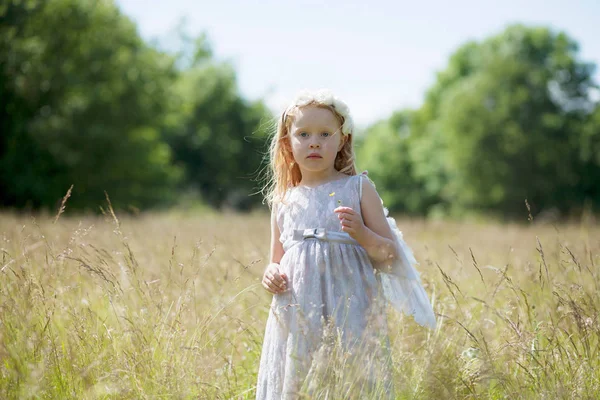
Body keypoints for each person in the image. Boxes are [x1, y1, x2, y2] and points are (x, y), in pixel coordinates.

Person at [255, 89, 436, 399]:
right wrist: (270, 274)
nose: (314, 141)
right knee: (299, 380)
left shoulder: (357, 187)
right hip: (298, 311)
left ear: (342, 141)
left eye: (325, 134)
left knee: (350, 381)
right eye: (304, 134)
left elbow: (391, 257)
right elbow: (276, 259)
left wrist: (362, 234)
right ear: (288, 143)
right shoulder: (283, 200)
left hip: (351, 310)